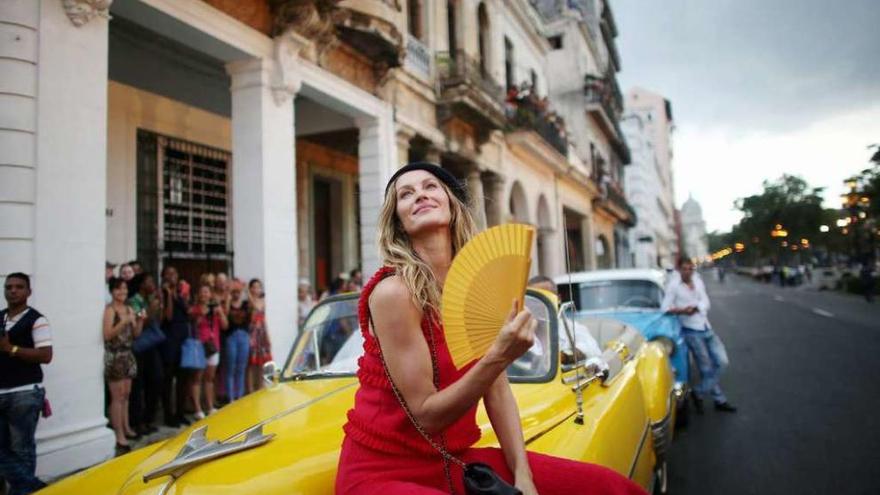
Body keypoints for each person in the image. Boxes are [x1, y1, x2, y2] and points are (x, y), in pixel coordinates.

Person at [336, 162, 643, 495]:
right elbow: (427, 416)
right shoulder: (394, 293)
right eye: (406, 194)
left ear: (452, 204)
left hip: (452, 459)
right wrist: (499, 355)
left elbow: (497, 392)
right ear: (399, 222)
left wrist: (523, 475)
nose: (420, 195)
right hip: (383, 471)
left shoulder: (477, 287)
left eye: (430, 187)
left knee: (608, 486)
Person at [0, 273, 53, 495]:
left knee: (21, 450)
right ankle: (32, 487)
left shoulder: (37, 320)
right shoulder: (0, 317)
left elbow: (46, 355)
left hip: (24, 393)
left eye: (19, 287)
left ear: (28, 292)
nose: (13, 291)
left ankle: (24, 490)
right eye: (9, 287)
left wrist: (11, 349)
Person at [662, 258, 736, 413]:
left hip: (705, 326)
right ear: (679, 270)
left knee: (722, 361)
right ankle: (719, 400)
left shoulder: (698, 281)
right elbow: (665, 308)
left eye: (690, 268)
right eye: (684, 269)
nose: (688, 272)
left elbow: (706, 301)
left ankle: (699, 392)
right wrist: (682, 311)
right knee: (705, 367)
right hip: (691, 330)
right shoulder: (674, 286)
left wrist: (696, 308)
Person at [103, 277, 144, 453]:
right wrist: (124, 321)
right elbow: (107, 334)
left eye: (125, 289)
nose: (122, 292)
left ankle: (126, 427)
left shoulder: (128, 308)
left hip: (128, 354)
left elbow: (135, 334)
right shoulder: (110, 310)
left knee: (126, 394)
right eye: (118, 289)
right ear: (112, 291)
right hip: (115, 355)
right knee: (117, 396)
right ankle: (118, 434)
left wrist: (140, 320)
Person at [527, 275, 603, 361]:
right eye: (534, 299)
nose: (539, 304)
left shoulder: (572, 328)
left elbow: (593, 350)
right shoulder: (520, 331)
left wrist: (565, 356)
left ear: (558, 299)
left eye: (545, 298)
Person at [127, 273, 163, 436]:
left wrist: (158, 306)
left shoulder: (150, 299)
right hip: (139, 347)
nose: (152, 283)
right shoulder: (134, 300)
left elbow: (159, 320)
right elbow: (138, 324)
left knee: (156, 380)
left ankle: (149, 418)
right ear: (142, 284)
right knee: (138, 386)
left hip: (152, 345)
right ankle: (137, 421)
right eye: (149, 280)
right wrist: (150, 310)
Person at [159, 266, 191, 427]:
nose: (172, 276)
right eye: (169, 274)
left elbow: (188, 311)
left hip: (183, 338)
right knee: (168, 377)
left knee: (183, 377)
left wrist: (181, 295)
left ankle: (180, 412)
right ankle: (168, 415)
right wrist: (169, 295)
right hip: (169, 339)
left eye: (175, 273)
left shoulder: (181, 293)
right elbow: (169, 317)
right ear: (163, 277)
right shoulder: (163, 294)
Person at [189, 285, 227, 418]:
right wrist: (204, 313)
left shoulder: (215, 308)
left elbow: (225, 325)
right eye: (202, 292)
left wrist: (220, 312)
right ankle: (197, 409)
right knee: (197, 377)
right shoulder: (195, 309)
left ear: (211, 294)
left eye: (206, 292)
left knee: (210, 377)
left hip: (213, 345)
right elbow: (195, 324)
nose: (204, 294)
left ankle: (210, 406)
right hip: (200, 346)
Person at [224, 280, 250, 401]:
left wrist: (246, 290)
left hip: (244, 336)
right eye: (234, 292)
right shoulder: (228, 303)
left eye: (238, 292)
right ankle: (230, 398)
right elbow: (225, 313)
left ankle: (239, 397)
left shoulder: (245, 304)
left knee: (241, 368)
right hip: (231, 337)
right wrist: (228, 296)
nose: (236, 294)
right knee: (230, 368)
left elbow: (254, 306)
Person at [246, 279, 272, 393]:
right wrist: (247, 293)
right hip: (252, 331)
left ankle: (261, 385)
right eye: (254, 287)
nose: (256, 289)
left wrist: (268, 335)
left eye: (259, 287)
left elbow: (263, 317)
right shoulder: (248, 301)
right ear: (250, 288)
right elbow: (254, 307)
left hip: (261, 331)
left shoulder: (262, 301)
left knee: (262, 361)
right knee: (251, 363)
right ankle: (250, 388)